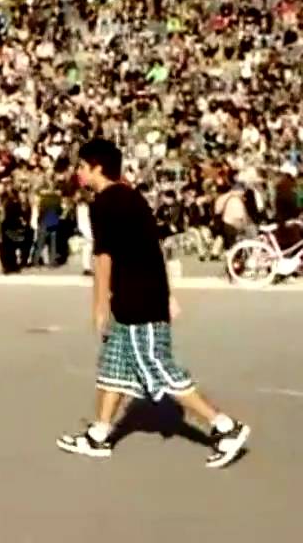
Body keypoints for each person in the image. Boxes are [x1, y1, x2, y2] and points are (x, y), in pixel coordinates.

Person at [56, 139, 249, 469]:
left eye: (82, 167)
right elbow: (153, 248)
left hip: (136, 299)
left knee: (156, 366)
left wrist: (99, 305)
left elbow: (103, 257)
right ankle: (100, 434)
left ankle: (224, 427)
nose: (78, 173)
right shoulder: (133, 197)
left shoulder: (103, 204)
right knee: (114, 365)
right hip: (148, 294)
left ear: (96, 168)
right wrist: (168, 293)